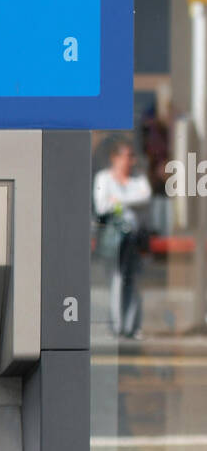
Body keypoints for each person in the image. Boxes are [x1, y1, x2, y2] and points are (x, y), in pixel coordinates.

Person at [93, 138, 152, 340]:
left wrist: (118, 201)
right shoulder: (104, 178)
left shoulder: (137, 179)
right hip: (115, 239)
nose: (131, 161)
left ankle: (131, 326)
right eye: (128, 156)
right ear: (115, 158)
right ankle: (117, 325)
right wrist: (127, 202)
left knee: (134, 281)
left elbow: (145, 197)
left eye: (133, 156)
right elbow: (102, 206)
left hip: (135, 237)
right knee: (117, 279)